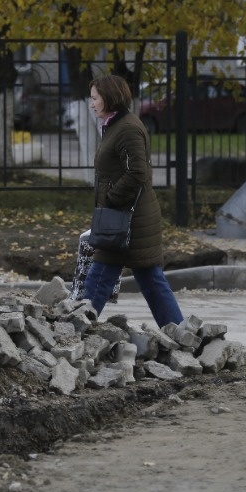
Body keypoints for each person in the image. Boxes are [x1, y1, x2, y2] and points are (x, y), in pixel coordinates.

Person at [82, 74, 184, 328]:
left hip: (127, 217)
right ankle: (180, 333)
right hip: (126, 216)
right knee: (148, 277)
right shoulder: (117, 125)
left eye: (95, 98)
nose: (92, 104)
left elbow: (138, 172)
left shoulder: (126, 128)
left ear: (109, 97)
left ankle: (76, 329)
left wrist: (111, 199)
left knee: (103, 273)